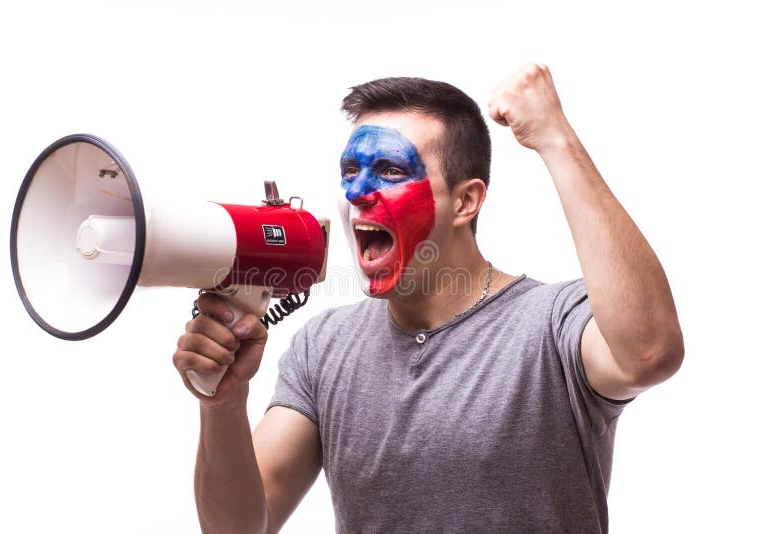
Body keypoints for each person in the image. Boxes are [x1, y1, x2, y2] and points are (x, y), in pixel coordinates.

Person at [173, 64, 684, 533]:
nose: (357, 193)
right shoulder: (323, 348)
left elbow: (648, 353)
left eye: (391, 171)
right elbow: (237, 529)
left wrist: (555, 139)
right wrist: (222, 403)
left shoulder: (551, 326)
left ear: (466, 201)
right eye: (350, 172)